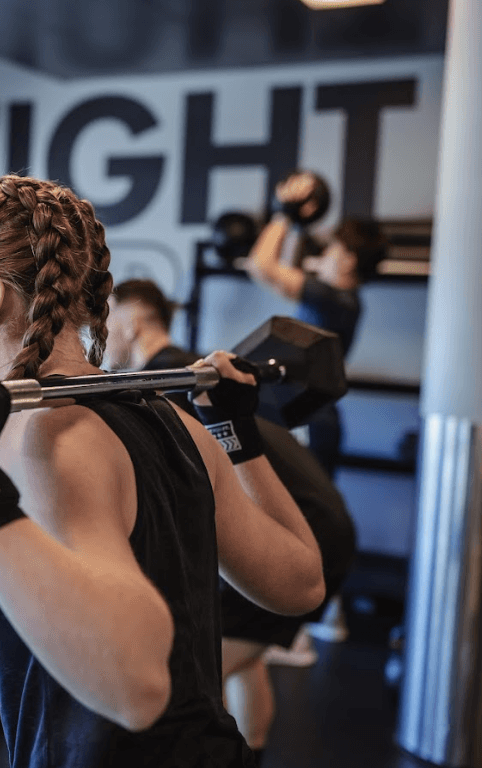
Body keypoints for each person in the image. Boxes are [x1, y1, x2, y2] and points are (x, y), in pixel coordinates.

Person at [0, 174, 324, 767]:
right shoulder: (177, 422)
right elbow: (301, 584)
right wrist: (235, 435)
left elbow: (136, 688)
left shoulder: (51, 439)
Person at [105, 278, 358, 763]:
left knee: (196, 680)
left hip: (302, 532)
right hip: (329, 521)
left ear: (133, 322)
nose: (99, 331)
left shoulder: (166, 385)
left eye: (107, 317)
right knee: (242, 660)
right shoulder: (194, 369)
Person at [244, 174, 389, 475]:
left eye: (333, 248)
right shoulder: (342, 300)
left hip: (310, 420)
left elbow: (261, 265)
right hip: (304, 415)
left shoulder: (334, 299)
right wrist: (296, 221)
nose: (324, 254)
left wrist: (284, 211)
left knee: (302, 515)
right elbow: (282, 264)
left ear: (348, 261)